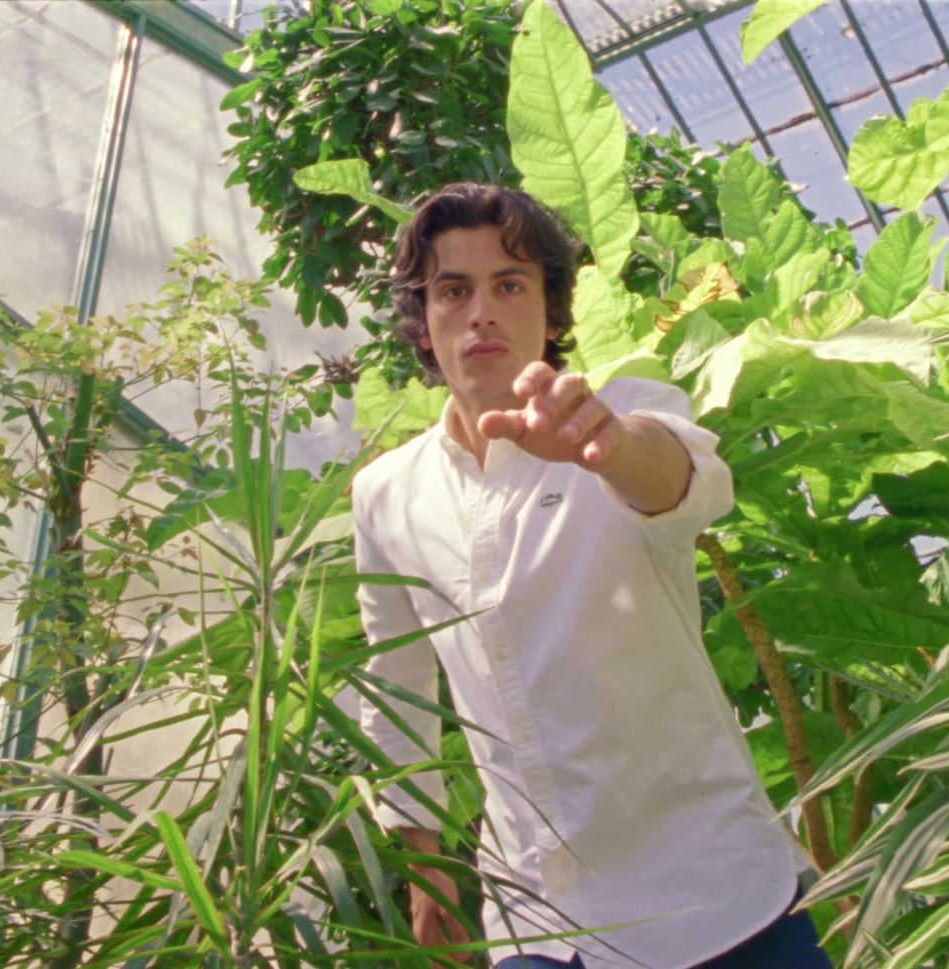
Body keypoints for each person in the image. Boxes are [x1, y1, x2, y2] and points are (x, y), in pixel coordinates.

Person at [352, 183, 830, 969]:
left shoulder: (624, 412)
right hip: (537, 922)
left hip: (718, 898)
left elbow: (691, 484)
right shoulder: (385, 494)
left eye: (510, 284)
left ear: (550, 308)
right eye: (453, 289)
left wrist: (604, 447)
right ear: (423, 320)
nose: (482, 313)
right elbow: (395, 685)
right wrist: (425, 862)